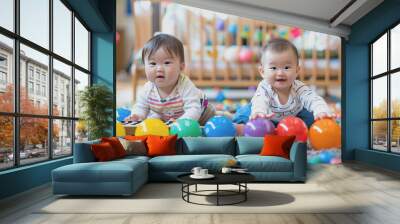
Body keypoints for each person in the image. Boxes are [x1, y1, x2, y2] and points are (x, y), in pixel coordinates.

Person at [125, 33, 214, 125]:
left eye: (167, 63)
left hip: (202, 114)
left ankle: (223, 114)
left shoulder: (184, 85)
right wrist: (137, 115)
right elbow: (141, 106)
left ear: (181, 67)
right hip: (169, 116)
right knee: (153, 118)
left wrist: (179, 123)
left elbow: (194, 109)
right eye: (153, 63)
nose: (159, 68)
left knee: (212, 120)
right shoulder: (148, 89)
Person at [250, 38, 333, 127]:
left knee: (312, 118)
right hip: (269, 117)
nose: (280, 73)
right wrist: (259, 112)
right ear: (262, 72)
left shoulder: (299, 87)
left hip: (295, 117)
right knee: (249, 116)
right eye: (273, 68)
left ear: (297, 70)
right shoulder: (265, 88)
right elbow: (260, 101)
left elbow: (313, 99)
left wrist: (321, 111)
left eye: (286, 67)